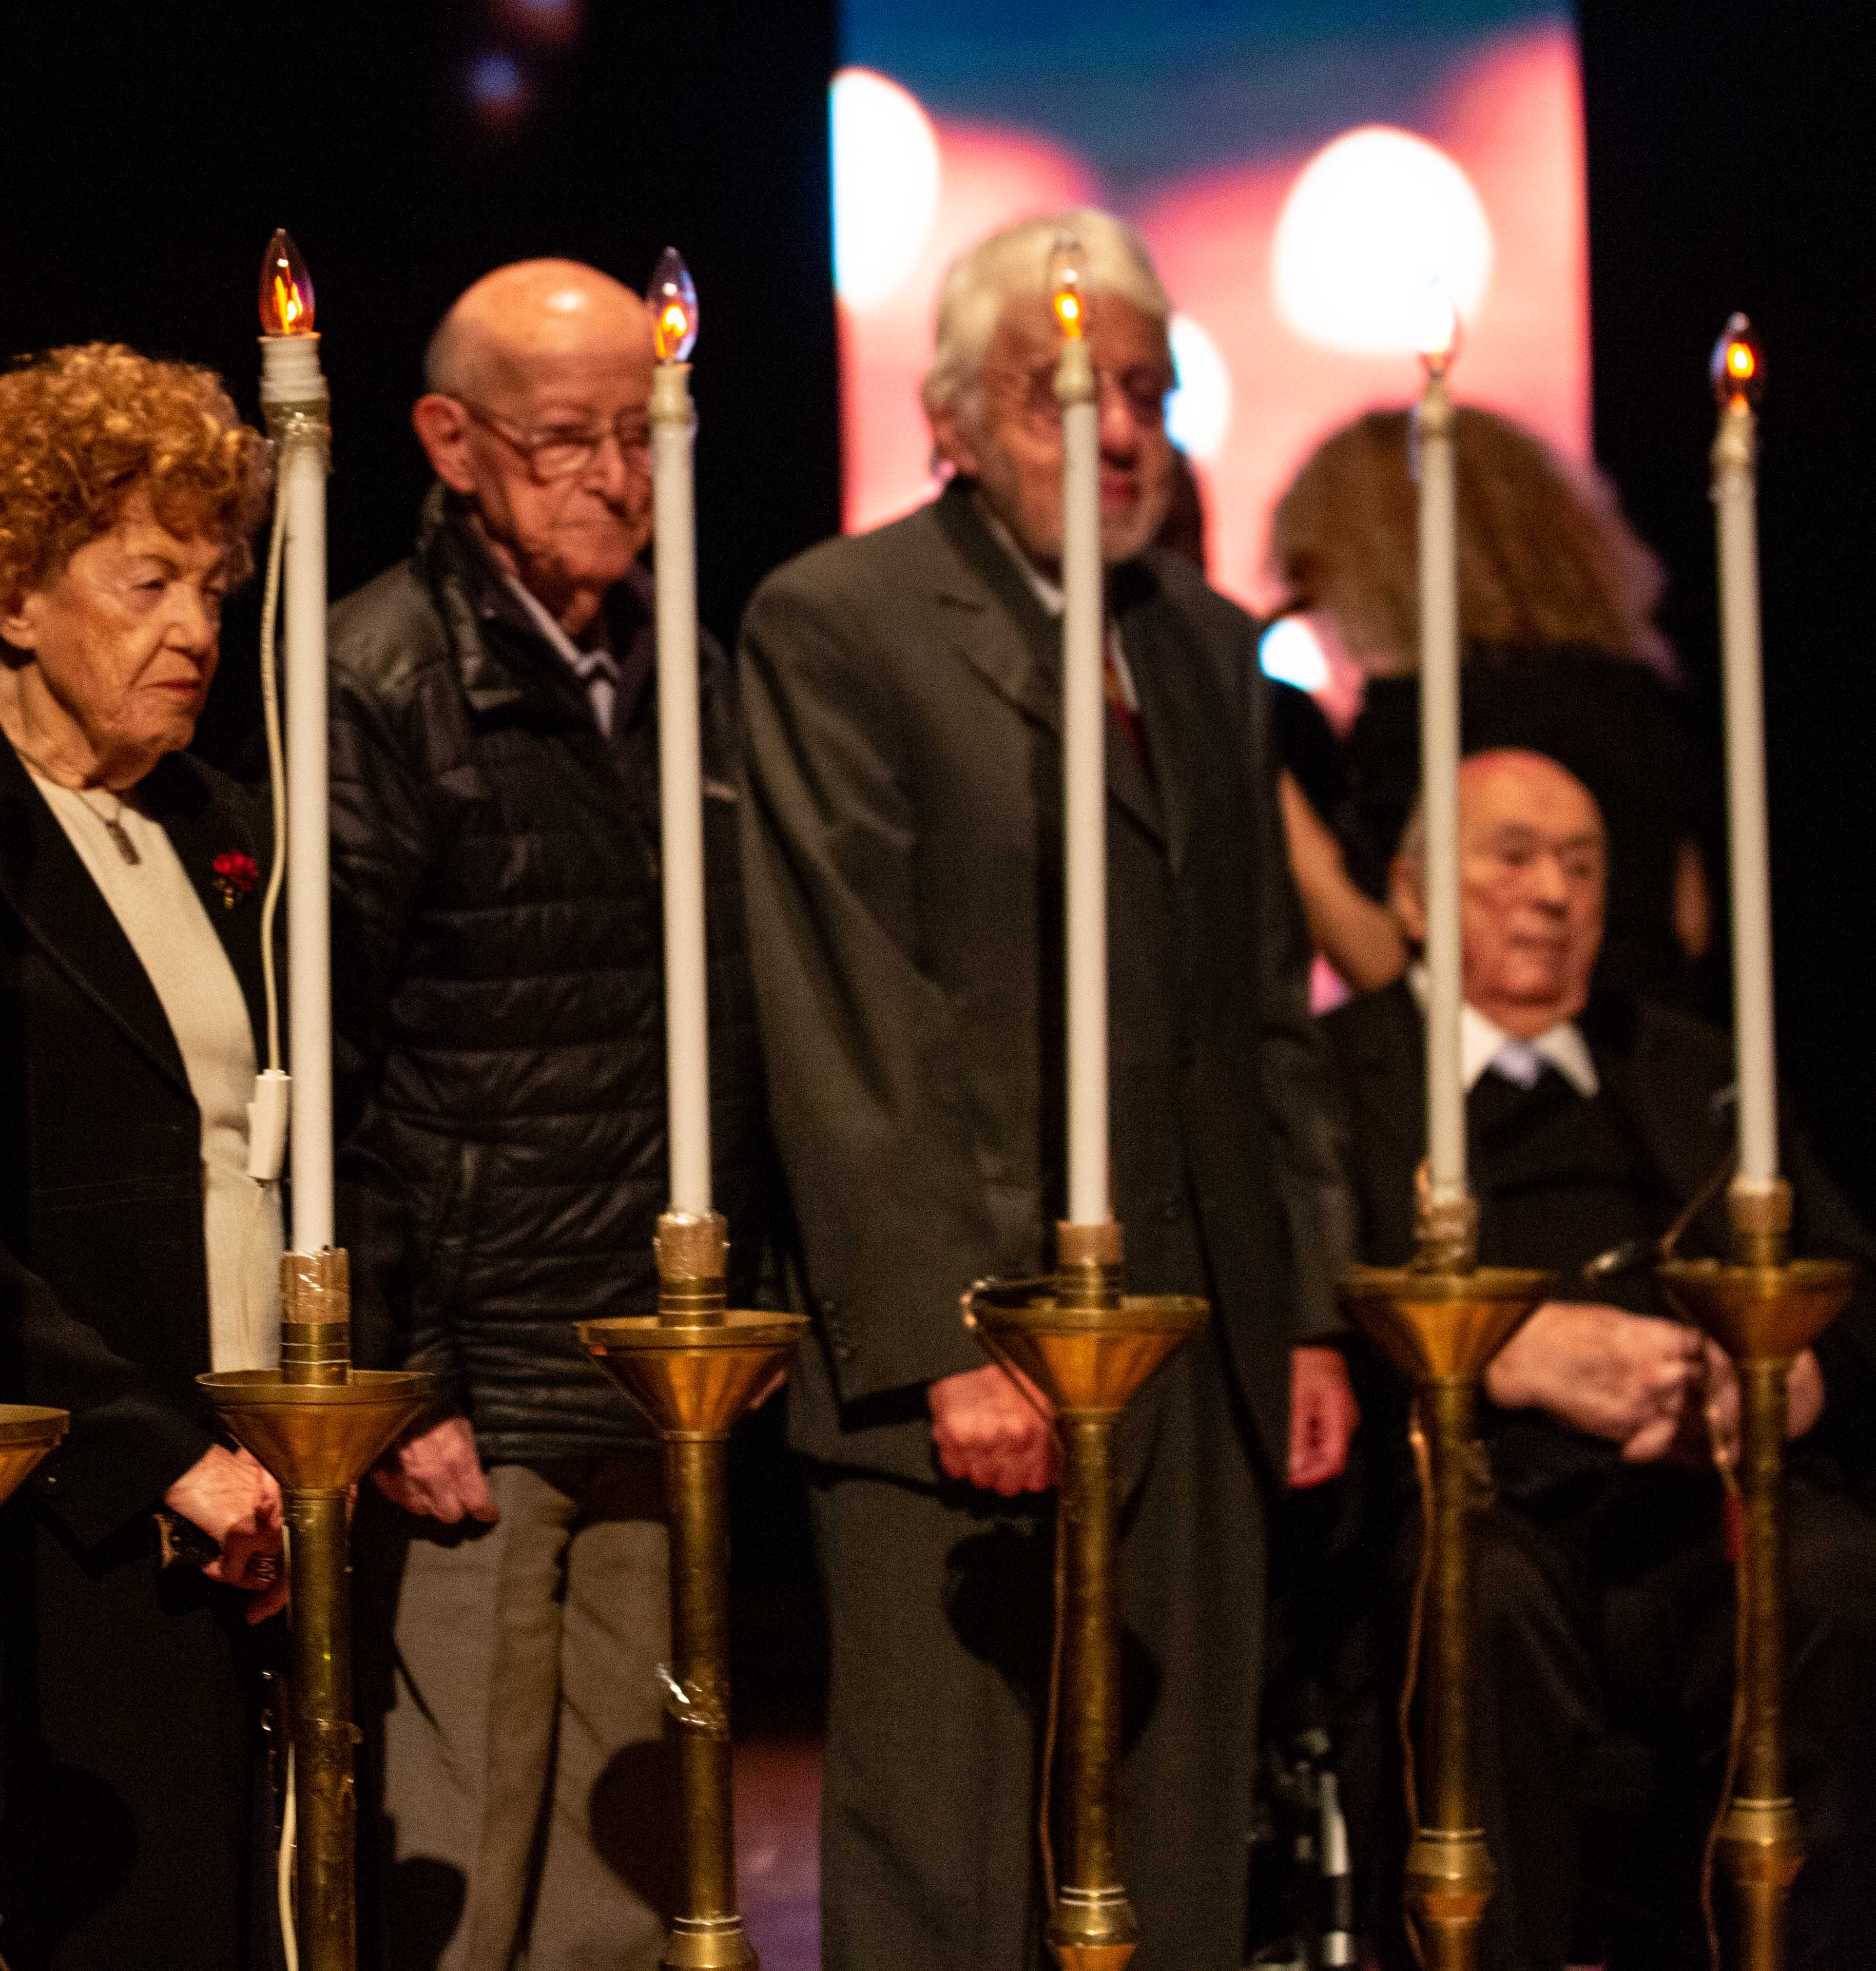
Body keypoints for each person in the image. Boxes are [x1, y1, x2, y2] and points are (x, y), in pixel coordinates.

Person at [737, 207, 1358, 1968]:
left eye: (1146, 393)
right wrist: (950, 1337)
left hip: (1196, 1337)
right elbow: (851, 1009)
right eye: (1059, 393)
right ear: (952, 414)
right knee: (949, 1846)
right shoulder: (841, 622)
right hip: (968, 1354)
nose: (1116, 431)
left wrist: (1298, 1311)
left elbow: (1261, 1010)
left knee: (1168, 1827)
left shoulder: (1203, 647)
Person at [0, 342, 284, 1969]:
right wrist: (157, 1447)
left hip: (270, 1461)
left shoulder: (219, 820)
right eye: (148, 579)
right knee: (131, 1910)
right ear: (13, 594)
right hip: (85, 1494)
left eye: (215, 586)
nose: (198, 628)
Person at [327, 258, 771, 1970]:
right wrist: (405, 1374)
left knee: (631, 1863)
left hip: (648, 1355)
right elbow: (335, 1052)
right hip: (479, 1391)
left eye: (641, 440)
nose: (615, 479)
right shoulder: (384, 673)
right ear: (451, 443)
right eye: (565, 441)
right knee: (470, 1852)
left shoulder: (687, 664)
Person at [1318, 747, 1876, 1971]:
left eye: (1578, 866)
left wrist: (1787, 1368)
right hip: (1478, 1493)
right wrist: (1501, 1351)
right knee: (1476, 1596)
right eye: (1509, 857)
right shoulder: (1335, 1076)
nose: (1552, 894)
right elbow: (1302, 1314)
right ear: (1411, 896)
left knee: (1831, 1575)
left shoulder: (1688, 1067)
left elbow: (1841, 1281)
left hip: (1701, 1497)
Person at [1271, 405, 1715, 1006]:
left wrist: (1255, 766)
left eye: (1316, 581)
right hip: (1644, 1064)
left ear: (1374, 564)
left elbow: (1385, 959)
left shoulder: (1432, 711)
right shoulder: (1637, 697)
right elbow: (1688, 922)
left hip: (1495, 1086)